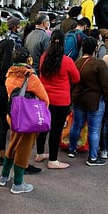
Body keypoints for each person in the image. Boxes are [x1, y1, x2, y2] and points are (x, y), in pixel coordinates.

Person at [0, 47, 49, 194]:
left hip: (13, 116)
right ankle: (18, 184)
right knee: (23, 150)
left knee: (13, 145)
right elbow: (45, 99)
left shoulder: (9, 75)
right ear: (28, 60)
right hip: (28, 120)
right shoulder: (31, 77)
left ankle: (4, 176)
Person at [67, 36, 108, 166]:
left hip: (78, 99)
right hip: (94, 101)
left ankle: (72, 149)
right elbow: (106, 84)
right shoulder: (99, 64)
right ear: (96, 48)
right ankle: (93, 157)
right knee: (94, 129)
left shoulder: (76, 62)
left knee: (76, 125)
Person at [37, 30, 80, 169]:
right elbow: (76, 78)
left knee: (43, 127)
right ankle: (53, 160)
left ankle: (40, 153)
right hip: (61, 101)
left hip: (45, 98)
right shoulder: (67, 61)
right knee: (56, 130)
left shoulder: (44, 57)